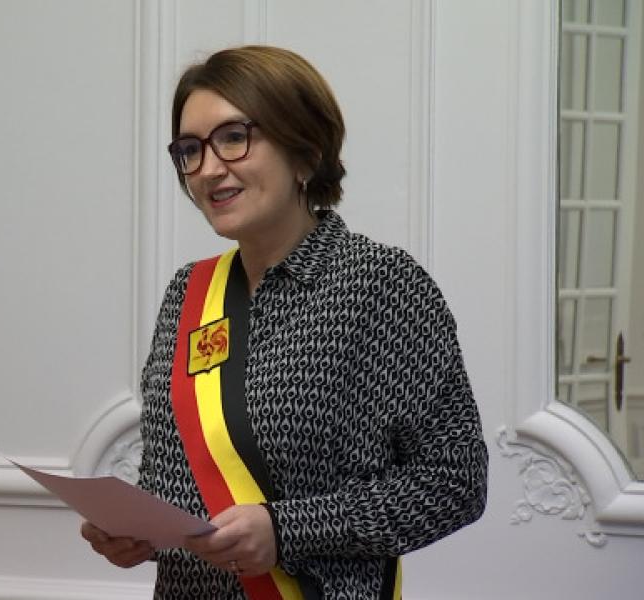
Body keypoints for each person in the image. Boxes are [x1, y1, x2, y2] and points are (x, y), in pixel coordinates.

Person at [80, 45, 488, 600]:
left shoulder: (381, 284)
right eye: (190, 149)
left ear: (306, 154)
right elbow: (182, 479)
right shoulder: (187, 293)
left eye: (233, 137)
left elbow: (455, 483)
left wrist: (287, 530)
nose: (209, 168)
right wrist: (141, 531)